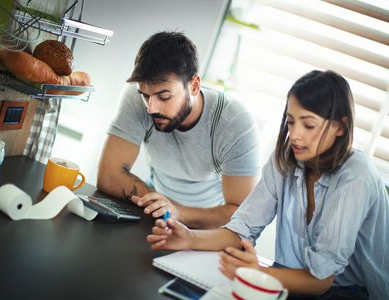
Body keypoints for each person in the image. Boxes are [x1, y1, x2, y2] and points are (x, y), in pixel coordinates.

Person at [147, 70, 389, 299]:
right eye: (291, 122)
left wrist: (258, 273)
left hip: (353, 292)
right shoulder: (286, 159)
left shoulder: (356, 176)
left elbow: (321, 280)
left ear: (340, 127)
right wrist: (191, 238)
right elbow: (242, 229)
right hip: (289, 279)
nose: (295, 134)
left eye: (309, 125)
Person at [97, 31, 261, 229]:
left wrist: (177, 211)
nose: (151, 108)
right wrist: (164, 208)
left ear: (194, 86)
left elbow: (240, 213)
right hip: (158, 215)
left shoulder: (234, 122)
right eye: (146, 96)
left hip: (208, 228)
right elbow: (108, 175)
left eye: (164, 96)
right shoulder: (137, 96)